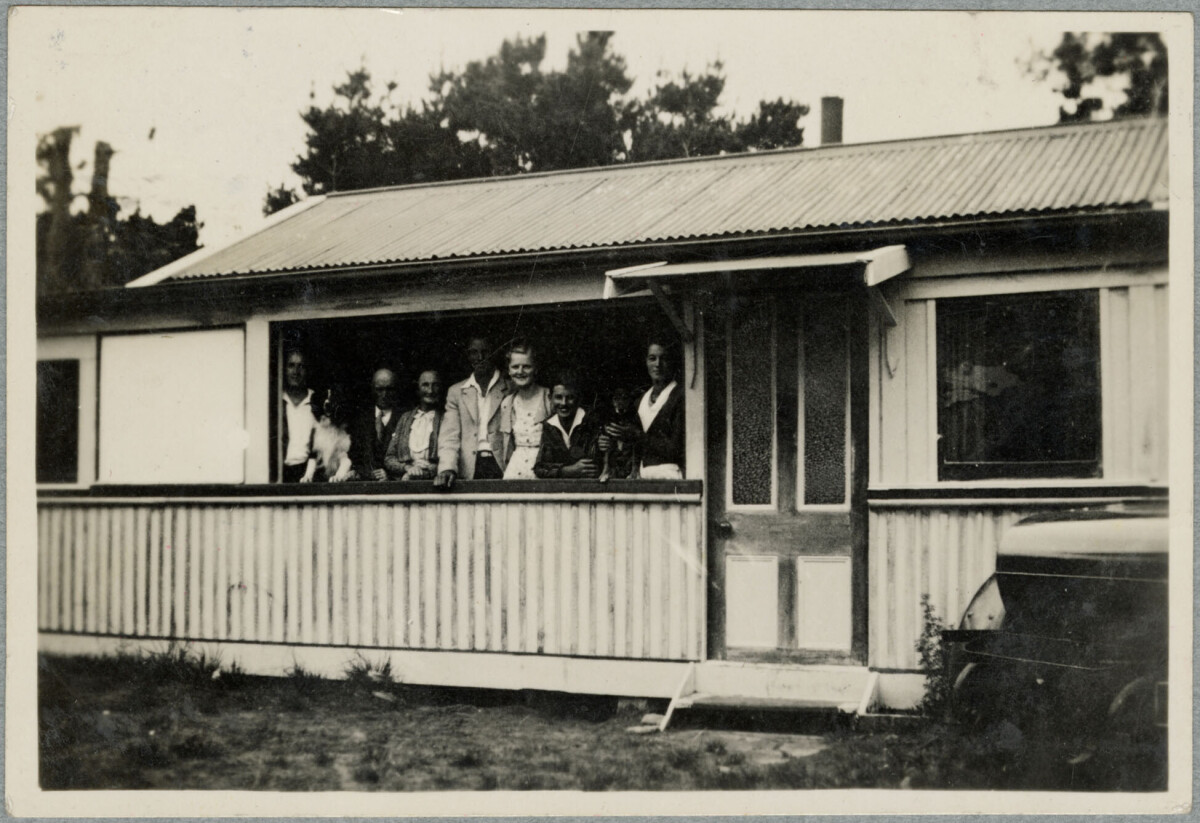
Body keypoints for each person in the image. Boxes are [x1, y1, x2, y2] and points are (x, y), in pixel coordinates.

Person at [600, 340, 685, 480]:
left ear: (672, 362)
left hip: (670, 479)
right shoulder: (640, 401)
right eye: (652, 358)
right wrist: (608, 442)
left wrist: (637, 435)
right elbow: (628, 446)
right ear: (646, 362)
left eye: (664, 359)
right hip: (639, 479)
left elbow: (676, 449)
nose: (657, 364)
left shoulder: (681, 397)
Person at [435, 336, 509, 488]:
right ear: (468, 356)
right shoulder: (457, 392)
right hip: (470, 468)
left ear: (495, 353)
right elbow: (450, 436)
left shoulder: (510, 387)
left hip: (503, 467)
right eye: (474, 352)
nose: (480, 357)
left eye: (485, 352)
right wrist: (447, 468)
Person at [498, 340, 553, 480]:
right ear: (509, 370)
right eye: (515, 367)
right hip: (515, 469)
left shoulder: (549, 397)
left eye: (526, 366)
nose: (520, 372)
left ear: (536, 369)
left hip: (543, 468)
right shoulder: (507, 403)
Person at [534, 372, 600, 479]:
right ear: (550, 398)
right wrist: (567, 471)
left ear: (578, 399)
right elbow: (540, 468)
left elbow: (595, 465)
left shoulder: (591, 422)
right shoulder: (549, 425)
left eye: (570, 398)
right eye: (558, 397)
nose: (564, 403)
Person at [384, 370, 444, 480]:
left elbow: (452, 458)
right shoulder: (405, 418)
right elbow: (389, 458)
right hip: (404, 481)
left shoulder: (446, 419)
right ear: (417, 390)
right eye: (425, 385)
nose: (430, 391)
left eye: (435, 385)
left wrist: (425, 473)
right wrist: (407, 468)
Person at [350, 368, 402, 481]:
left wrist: (390, 476)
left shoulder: (404, 418)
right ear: (372, 389)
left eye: (389, 389)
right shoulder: (360, 419)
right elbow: (354, 457)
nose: (384, 394)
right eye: (379, 389)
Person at [280, 348, 318, 483]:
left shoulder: (316, 400)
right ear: (284, 369)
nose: (295, 372)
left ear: (307, 370)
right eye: (291, 365)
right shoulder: (277, 401)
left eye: (301, 366)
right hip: (280, 474)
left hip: (309, 475)